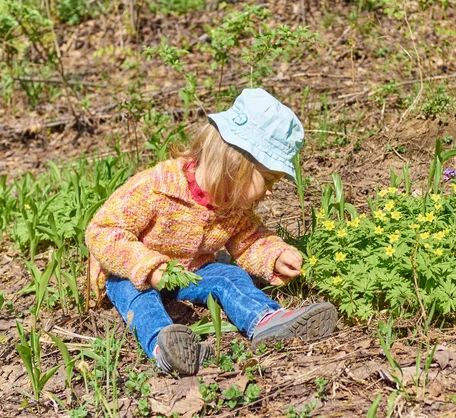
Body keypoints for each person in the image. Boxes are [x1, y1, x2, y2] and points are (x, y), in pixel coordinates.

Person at [85, 88, 337, 376]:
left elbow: (249, 239)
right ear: (236, 162)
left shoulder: (233, 205)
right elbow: (102, 231)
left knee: (229, 276)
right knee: (137, 296)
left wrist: (274, 256)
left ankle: (266, 319)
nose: (268, 192)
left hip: (190, 273)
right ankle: (164, 347)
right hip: (130, 273)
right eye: (267, 179)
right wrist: (149, 268)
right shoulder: (155, 188)